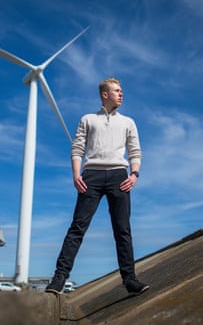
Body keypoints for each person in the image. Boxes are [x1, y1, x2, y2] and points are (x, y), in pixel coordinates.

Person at [46, 77, 149, 295]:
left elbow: (135, 151)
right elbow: (77, 149)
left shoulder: (128, 122)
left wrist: (135, 174)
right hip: (90, 176)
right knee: (77, 228)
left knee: (123, 230)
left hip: (119, 177)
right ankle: (58, 279)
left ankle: (130, 280)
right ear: (105, 94)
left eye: (122, 91)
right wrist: (76, 175)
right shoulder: (88, 119)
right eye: (117, 91)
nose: (121, 94)